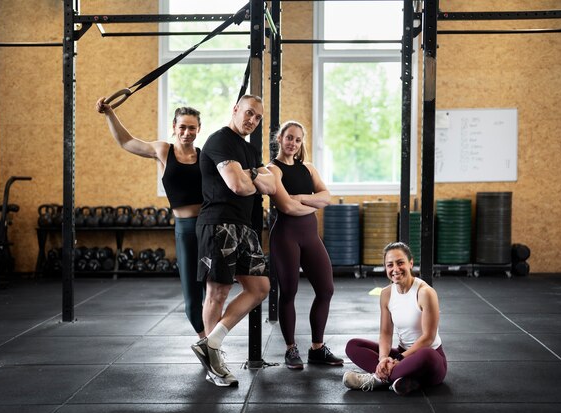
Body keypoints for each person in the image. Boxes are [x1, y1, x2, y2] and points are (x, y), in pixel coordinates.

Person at [96, 98, 206, 339]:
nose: (187, 132)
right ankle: (205, 342)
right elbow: (126, 141)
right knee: (192, 296)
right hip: (186, 230)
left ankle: (214, 342)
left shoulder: (204, 156)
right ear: (174, 127)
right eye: (182, 127)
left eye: (192, 128)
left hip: (209, 227)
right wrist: (109, 114)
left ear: (199, 129)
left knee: (215, 290)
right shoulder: (162, 151)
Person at [191, 95, 276, 387]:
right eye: (249, 113)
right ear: (236, 109)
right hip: (217, 224)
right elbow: (239, 186)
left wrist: (249, 173)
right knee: (218, 292)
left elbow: (272, 184)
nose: (252, 120)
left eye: (258, 117)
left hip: (245, 227)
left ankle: (211, 342)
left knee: (260, 287)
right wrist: (253, 177)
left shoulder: (250, 150)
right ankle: (213, 364)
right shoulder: (220, 141)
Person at [266, 121, 343, 370]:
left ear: (302, 143)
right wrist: (311, 203)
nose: (293, 143)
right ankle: (290, 349)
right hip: (286, 236)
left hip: (310, 236)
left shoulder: (308, 168)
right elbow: (286, 207)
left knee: (326, 289)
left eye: (298, 140)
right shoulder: (272, 170)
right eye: (289, 138)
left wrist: (299, 198)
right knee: (288, 293)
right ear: (279, 138)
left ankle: (317, 349)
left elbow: (327, 197)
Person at [342, 242, 446, 395]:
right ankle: (403, 379)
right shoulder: (386, 294)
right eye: (390, 265)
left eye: (400, 263)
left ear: (410, 263)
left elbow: (428, 338)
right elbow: (385, 333)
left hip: (429, 360)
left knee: (426, 354)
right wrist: (383, 358)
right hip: (401, 355)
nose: (395, 269)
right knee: (353, 345)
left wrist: (398, 358)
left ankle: (377, 379)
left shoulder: (425, 292)